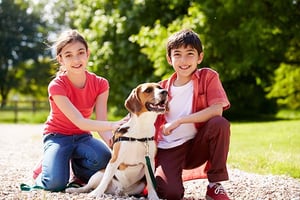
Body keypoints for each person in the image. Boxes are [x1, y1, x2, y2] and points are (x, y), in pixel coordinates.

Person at [34, 30, 125, 192]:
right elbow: (80, 121)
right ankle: (44, 169)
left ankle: (76, 171)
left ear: (88, 54)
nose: (76, 59)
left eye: (80, 53)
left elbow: (101, 121)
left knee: (105, 159)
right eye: (68, 55)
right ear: (60, 59)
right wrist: (113, 125)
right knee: (55, 184)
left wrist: (116, 145)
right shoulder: (56, 85)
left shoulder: (101, 84)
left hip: (83, 137)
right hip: (57, 136)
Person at [154, 29, 231, 200]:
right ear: (169, 59)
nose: (184, 60)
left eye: (190, 54)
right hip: (169, 148)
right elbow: (139, 117)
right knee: (171, 193)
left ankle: (214, 185)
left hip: (197, 145)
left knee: (220, 124)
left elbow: (216, 109)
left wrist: (180, 121)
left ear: (200, 57)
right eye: (177, 54)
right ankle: (152, 178)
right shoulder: (160, 88)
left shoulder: (208, 77)